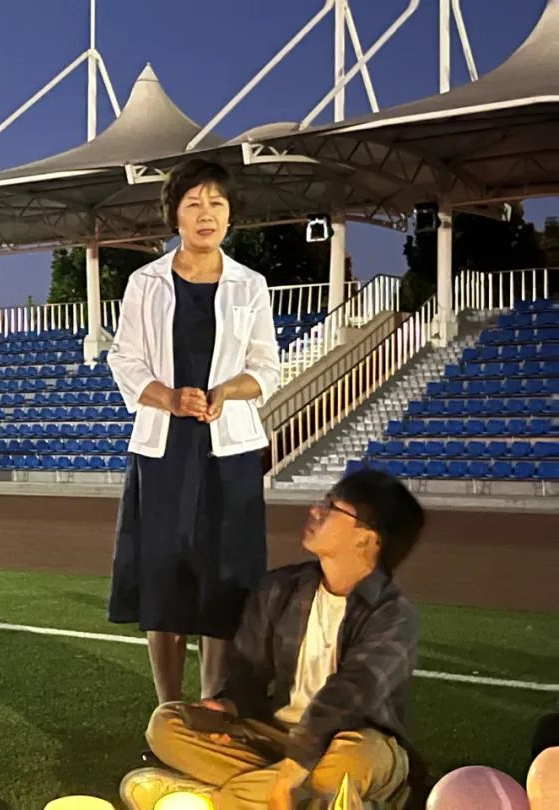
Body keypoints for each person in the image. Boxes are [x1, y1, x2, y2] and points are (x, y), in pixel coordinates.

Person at [120, 468, 426, 810]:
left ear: (366, 539)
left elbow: (348, 696)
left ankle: (213, 799)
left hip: (352, 742)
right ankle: (320, 802)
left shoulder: (393, 615)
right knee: (166, 723)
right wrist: (228, 706)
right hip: (276, 736)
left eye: (331, 507)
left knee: (345, 765)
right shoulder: (279, 588)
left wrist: (292, 771)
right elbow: (248, 675)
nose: (315, 511)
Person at [107, 158, 280, 705]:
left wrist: (227, 390)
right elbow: (124, 359)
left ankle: (211, 708)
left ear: (230, 215)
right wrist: (168, 397)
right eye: (194, 204)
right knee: (164, 578)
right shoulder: (145, 282)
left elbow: (267, 367)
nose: (206, 214)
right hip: (164, 449)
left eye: (217, 204)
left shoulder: (250, 285)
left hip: (230, 450)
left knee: (224, 581)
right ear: (175, 215)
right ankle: (167, 710)